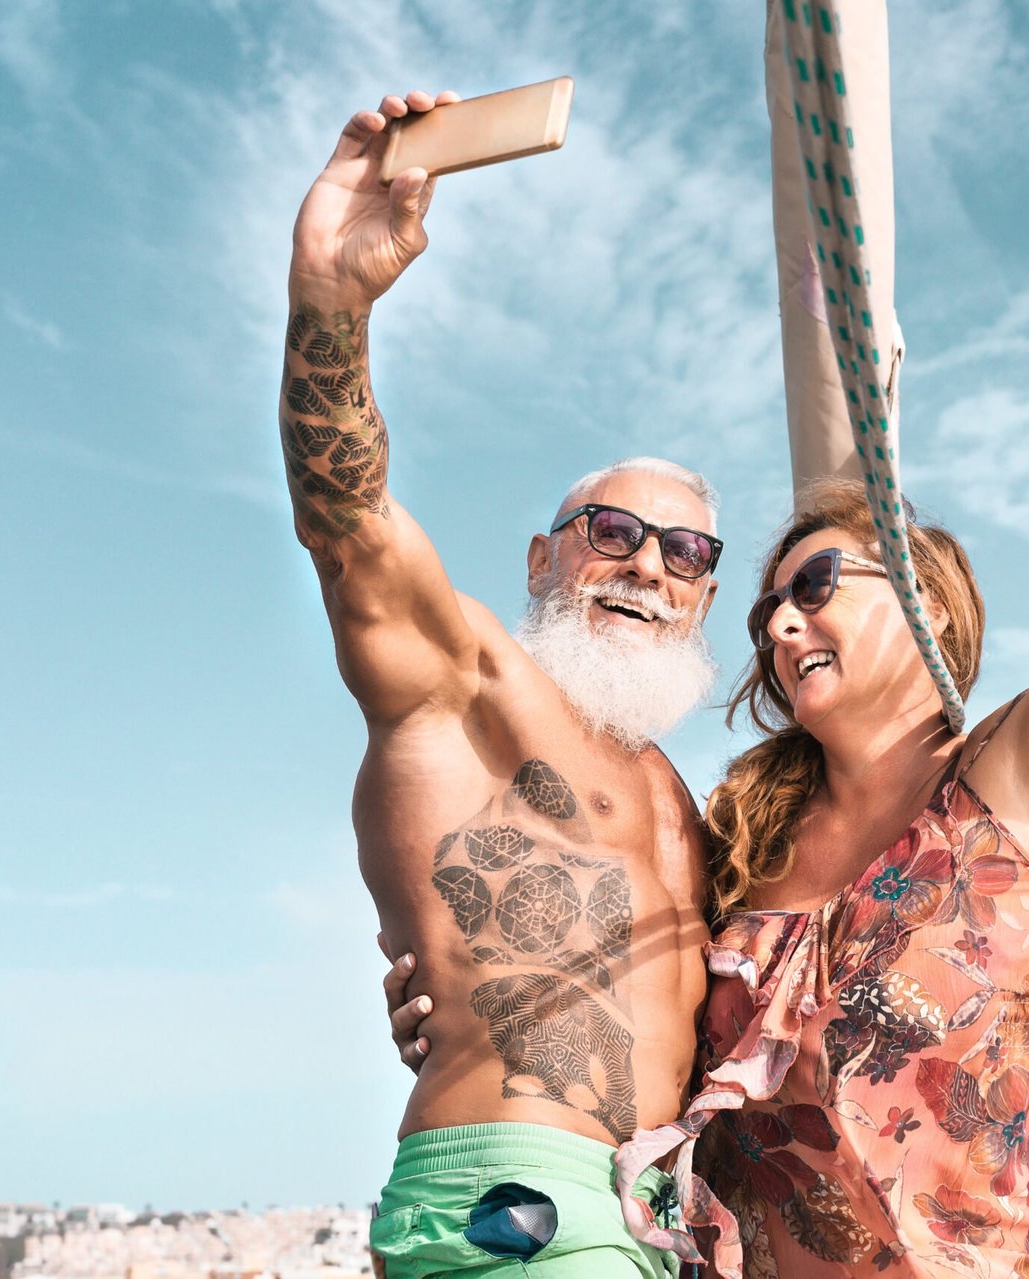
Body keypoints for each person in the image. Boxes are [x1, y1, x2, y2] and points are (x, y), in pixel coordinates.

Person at [394, 165, 1029, 1277]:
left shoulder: (1013, 786)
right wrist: (448, 992)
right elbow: (587, 966)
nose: (784, 627)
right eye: (768, 609)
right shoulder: (738, 847)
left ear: (928, 602)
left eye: (817, 584)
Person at [283, 89, 736, 1279]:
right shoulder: (471, 688)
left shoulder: (684, 806)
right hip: (517, 1205)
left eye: (688, 553)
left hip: (651, 1222)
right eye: (614, 531)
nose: (649, 565)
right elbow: (352, 532)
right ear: (545, 556)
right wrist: (331, 297)